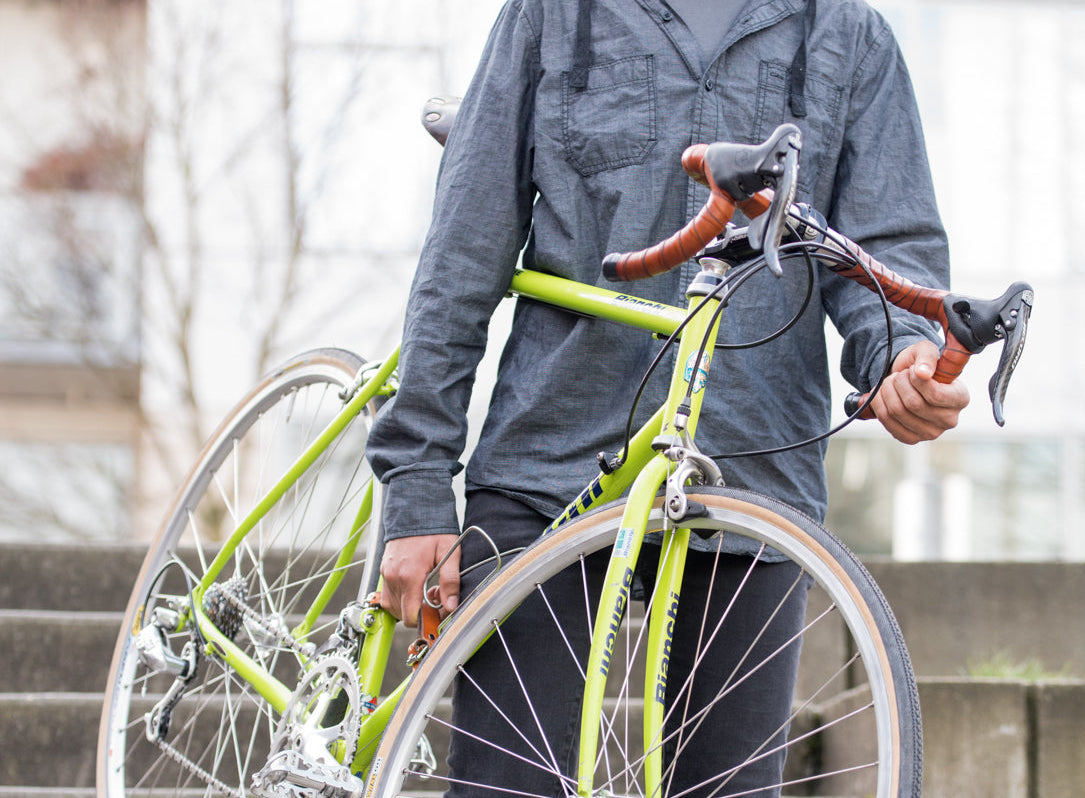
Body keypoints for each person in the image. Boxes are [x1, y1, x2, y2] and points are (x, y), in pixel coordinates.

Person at [366, 0, 969, 794]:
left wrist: (901, 358)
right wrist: (416, 492)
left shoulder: (849, 35)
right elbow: (462, 258)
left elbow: (883, 252)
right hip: (546, 467)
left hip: (750, 477)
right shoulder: (552, 15)